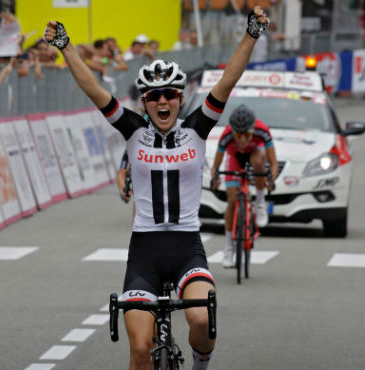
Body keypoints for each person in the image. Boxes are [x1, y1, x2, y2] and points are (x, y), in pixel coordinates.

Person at [44, 7, 269, 369]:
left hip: (186, 248)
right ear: (145, 103)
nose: (162, 101)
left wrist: (252, 33)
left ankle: (200, 365)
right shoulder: (133, 129)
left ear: (180, 98)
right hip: (144, 254)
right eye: (153, 96)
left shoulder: (197, 128)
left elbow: (228, 79)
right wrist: (65, 46)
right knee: (139, 349)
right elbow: (94, 89)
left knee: (201, 319)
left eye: (169, 94)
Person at [211, 104, 278, 268]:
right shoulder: (226, 134)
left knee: (258, 162)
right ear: (232, 131)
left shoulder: (262, 130)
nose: (241, 139)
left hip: (256, 154)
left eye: (246, 134)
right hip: (235, 157)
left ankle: (260, 202)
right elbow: (216, 165)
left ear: (253, 129)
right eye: (237, 135)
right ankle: (228, 247)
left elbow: (273, 163)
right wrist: (215, 178)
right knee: (232, 200)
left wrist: (271, 179)